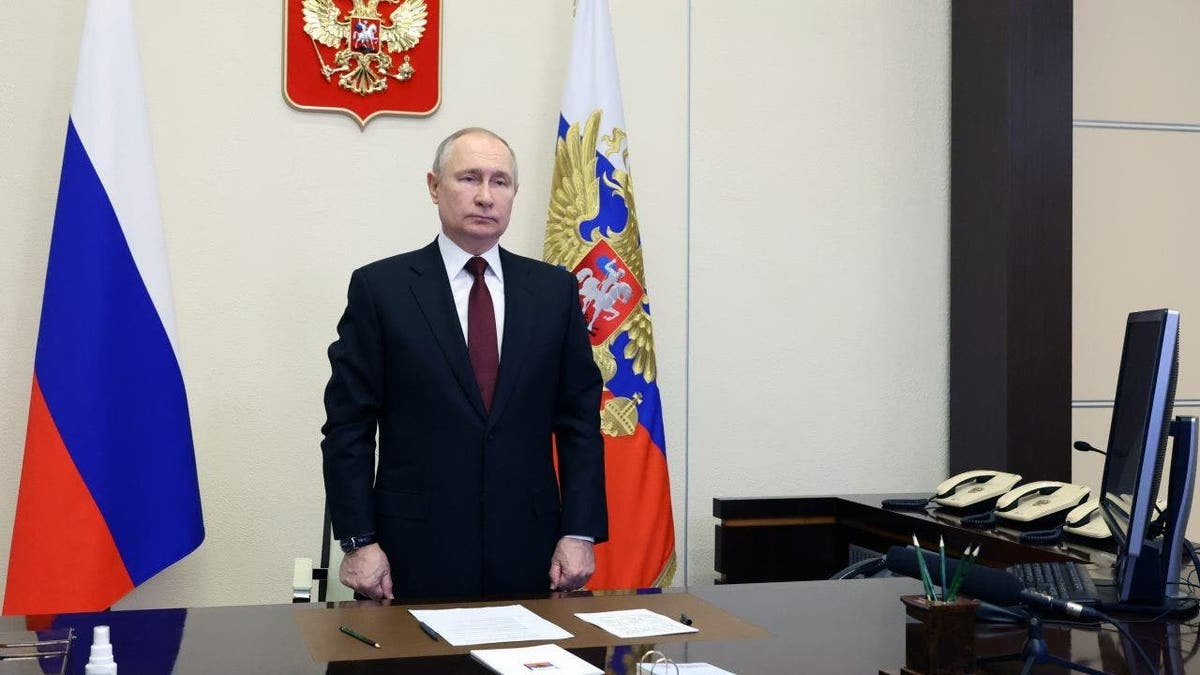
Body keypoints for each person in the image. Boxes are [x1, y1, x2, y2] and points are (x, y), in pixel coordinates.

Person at [320, 127, 607, 601]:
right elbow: (348, 426)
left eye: (500, 182)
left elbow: (578, 421)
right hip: (410, 554)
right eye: (469, 178)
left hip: (532, 552)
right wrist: (358, 541)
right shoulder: (382, 289)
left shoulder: (554, 292)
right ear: (434, 186)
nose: (485, 196)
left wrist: (580, 531)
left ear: (514, 193)